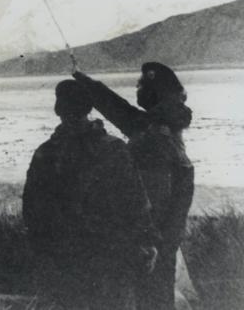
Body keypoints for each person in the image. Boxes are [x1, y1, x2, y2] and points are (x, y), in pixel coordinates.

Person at [23, 79, 158, 310]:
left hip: (64, 259)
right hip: (112, 257)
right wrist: (147, 242)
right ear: (89, 108)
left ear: (58, 109)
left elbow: (32, 211)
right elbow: (136, 202)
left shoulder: (45, 153)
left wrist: (43, 251)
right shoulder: (115, 149)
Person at [73, 63, 195, 310]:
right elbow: (117, 108)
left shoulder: (153, 137)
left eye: (140, 84)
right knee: (159, 294)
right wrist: (84, 80)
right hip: (162, 240)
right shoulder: (160, 125)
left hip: (152, 241)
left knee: (151, 296)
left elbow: (154, 201)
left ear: (153, 91)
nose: (136, 88)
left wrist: (146, 241)